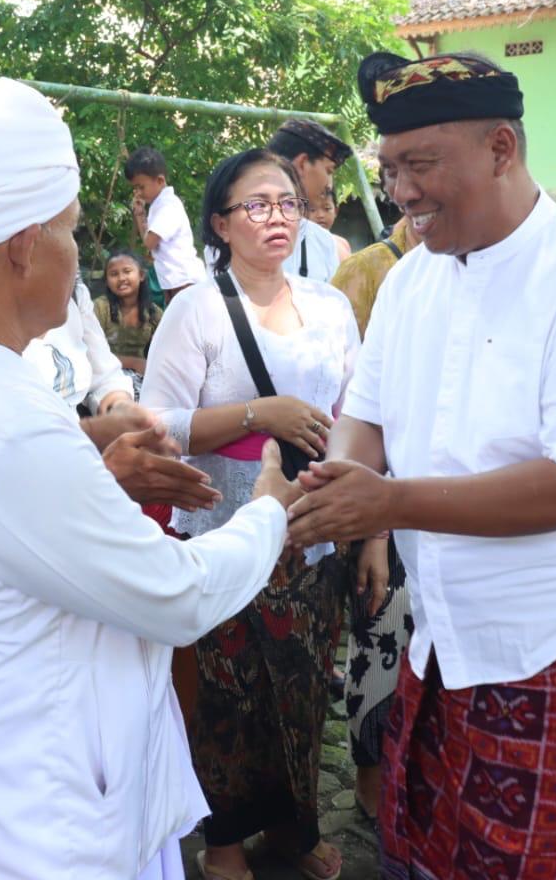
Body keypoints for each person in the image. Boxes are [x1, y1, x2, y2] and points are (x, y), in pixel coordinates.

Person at [0, 78, 300, 879]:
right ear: (24, 246)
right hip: (27, 829)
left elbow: (6, 520)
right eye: (71, 230)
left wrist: (94, 460)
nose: (80, 256)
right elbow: (175, 595)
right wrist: (269, 512)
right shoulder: (2, 420)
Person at [287, 50, 556, 879]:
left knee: (545, 860)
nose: (401, 192)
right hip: (447, 629)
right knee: (431, 847)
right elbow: (365, 416)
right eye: (390, 169)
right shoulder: (411, 282)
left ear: (501, 148)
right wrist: (333, 488)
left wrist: (386, 504)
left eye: (421, 164)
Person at [141, 147, 359, 880]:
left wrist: (365, 525)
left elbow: (357, 414)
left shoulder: (329, 306)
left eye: (289, 202)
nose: (278, 217)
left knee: (302, 691)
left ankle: (294, 830)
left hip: (312, 534)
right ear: (220, 223)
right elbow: (159, 425)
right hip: (225, 533)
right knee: (228, 698)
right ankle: (225, 843)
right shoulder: (197, 309)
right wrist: (259, 414)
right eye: (258, 204)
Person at [325, 205, 415, 823]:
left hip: (454, 508)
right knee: (380, 638)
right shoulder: (372, 273)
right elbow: (357, 404)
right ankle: (372, 780)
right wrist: (373, 527)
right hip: (380, 492)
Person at [266, 119, 352, 283]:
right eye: (329, 171)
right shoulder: (241, 231)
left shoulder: (324, 243)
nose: (330, 184)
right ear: (302, 164)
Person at [128, 145, 205, 302]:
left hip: (184, 279)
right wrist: (140, 214)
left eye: (141, 187)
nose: (138, 193)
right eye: (135, 188)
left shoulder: (168, 206)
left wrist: (140, 217)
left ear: (160, 180)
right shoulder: (158, 205)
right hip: (173, 280)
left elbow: (149, 242)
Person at [95, 249, 164, 399]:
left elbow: (168, 349)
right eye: (114, 274)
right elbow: (91, 354)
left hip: (141, 377)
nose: (121, 278)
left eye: (127, 271)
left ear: (141, 275)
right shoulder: (100, 308)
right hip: (105, 377)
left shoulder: (153, 313)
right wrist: (134, 363)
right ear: (107, 280)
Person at [310, 188, 351, 261]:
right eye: (312, 210)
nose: (320, 215)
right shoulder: (297, 247)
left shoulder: (343, 243)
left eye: (327, 208)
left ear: (336, 211)